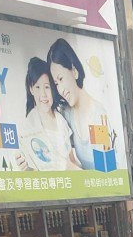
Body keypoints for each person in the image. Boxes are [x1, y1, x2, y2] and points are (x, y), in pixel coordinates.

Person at [48, 39, 114, 172]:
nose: (60, 90)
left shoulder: (98, 117)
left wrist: (71, 168)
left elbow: (106, 172)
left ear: (74, 71)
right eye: (56, 84)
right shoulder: (67, 113)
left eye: (61, 79)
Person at [17, 57, 80, 171]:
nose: (43, 94)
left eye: (47, 87)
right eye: (37, 87)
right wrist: (24, 168)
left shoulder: (61, 120)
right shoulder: (28, 126)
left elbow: (72, 161)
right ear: (31, 89)